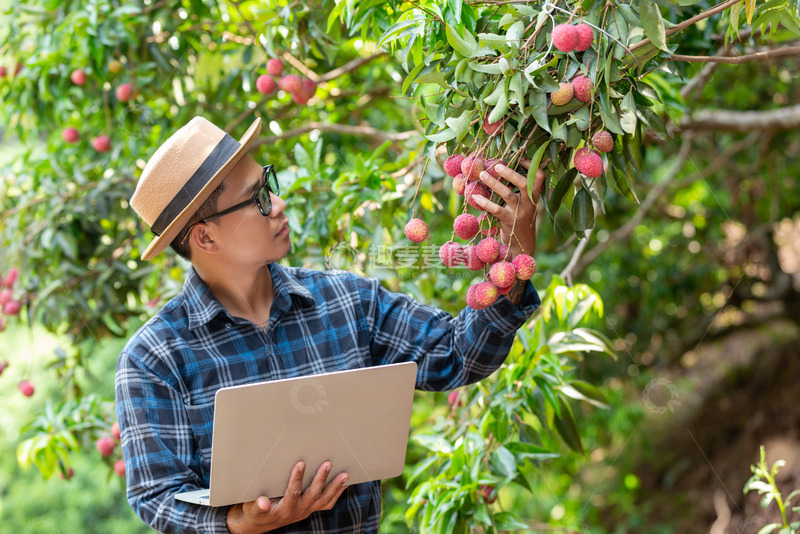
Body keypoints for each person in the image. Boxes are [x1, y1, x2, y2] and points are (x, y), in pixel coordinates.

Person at [116, 116, 545, 534]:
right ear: (206, 238)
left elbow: (457, 356)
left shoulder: (348, 301)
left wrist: (514, 257)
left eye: (270, 184)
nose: (279, 205)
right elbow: (157, 496)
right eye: (259, 198)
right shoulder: (153, 358)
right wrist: (239, 523)